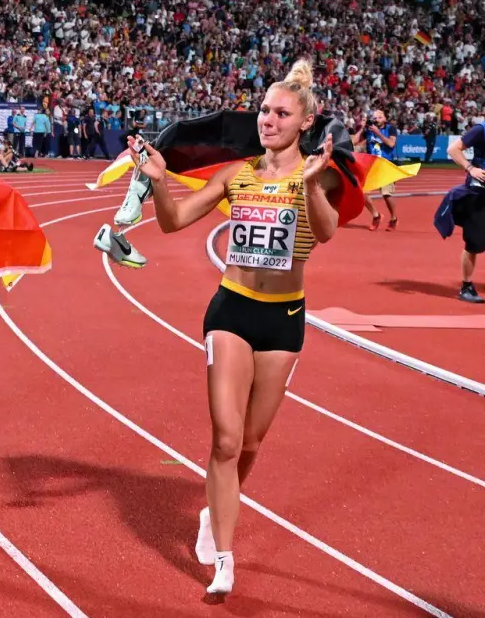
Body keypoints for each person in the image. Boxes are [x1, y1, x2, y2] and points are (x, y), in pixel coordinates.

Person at [125, 60, 340, 597]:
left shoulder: (318, 173)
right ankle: (225, 556)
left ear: (305, 122)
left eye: (281, 113)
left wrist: (312, 186)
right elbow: (174, 222)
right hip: (231, 311)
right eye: (265, 111)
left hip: (284, 319)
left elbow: (327, 232)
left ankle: (212, 511)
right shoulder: (236, 175)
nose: (269, 120)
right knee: (225, 439)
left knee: (250, 441)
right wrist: (159, 183)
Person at [440, 122, 485, 303]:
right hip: (479, 194)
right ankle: (466, 287)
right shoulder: (481, 130)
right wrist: (470, 168)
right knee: (475, 243)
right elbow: (453, 149)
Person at [364, 109, 398, 230]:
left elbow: (391, 144)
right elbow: (354, 142)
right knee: (362, 192)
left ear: (384, 119)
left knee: (386, 194)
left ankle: (393, 218)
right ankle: (376, 215)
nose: (377, 119)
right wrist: (361, 128)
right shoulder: (368, 131)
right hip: (372, 165)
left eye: (379, 117)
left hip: (387, 165)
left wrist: (377, 133)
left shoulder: (390, 129)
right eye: (375, 117)